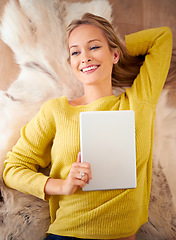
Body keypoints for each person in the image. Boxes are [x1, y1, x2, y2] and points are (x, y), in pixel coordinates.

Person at [3, 13, 172, 240]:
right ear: (71, 63)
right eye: (75, 52)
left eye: (93, 47)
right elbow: (13, 168)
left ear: (114, 55)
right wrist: (61, 185)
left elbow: (161, 37)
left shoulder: (138, 102)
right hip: (68, 235)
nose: (85, 57)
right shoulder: (57, 110)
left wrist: (117, 45)